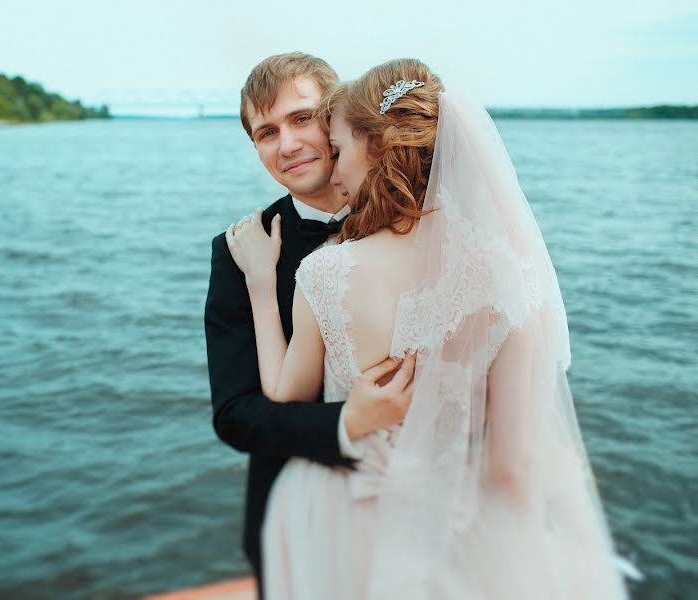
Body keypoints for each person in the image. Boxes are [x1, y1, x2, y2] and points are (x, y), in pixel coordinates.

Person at [227, 58, 629, 599]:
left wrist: (261, 283)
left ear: (367, 142)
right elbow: (512, 466)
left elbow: (281, 391)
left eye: (326, 137)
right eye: (267, 132)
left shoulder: (324, 270)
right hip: (463, 514)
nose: (299, 146)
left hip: (341, 516)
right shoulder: (512, 273)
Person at [203, 52, 416, 593]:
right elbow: (235, 413)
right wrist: (346, 423)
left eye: (301, 119)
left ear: (337, 116)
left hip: (419, 507)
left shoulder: (418, 218)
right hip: (294, 522)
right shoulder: (240, 250)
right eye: (266, 132)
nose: (288, 144)